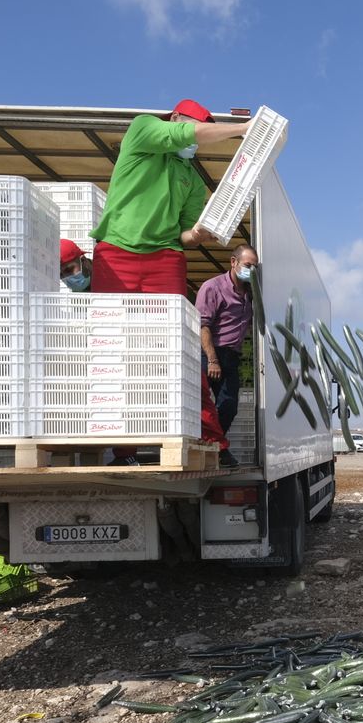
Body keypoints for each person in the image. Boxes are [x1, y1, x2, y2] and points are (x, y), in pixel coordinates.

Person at [90, 99, 244, 460]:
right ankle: (123, 448)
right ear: (175, 119)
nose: (196, 142)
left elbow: (184, 235)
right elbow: (187, 134)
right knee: (113, 348)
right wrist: (244, 129)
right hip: (116, 252)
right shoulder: (142, 129)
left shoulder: (192, 180)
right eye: (194, 128)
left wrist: (201, 233)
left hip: (165, 258)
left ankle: (212, 440)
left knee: (178, 351)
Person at [196, 245, 257, 467]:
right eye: (248, 265)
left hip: (232, 356)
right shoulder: (212, 288)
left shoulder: (251, 293)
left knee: (229, 405)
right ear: (233, 262)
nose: (251, 271)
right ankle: (218, 449)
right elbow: (203, 325)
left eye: (255, 267)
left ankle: (213, 446)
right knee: (205, 407)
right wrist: (212, 360)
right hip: (210, 352)